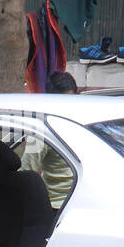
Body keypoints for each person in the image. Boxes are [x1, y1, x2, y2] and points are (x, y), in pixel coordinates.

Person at [20, 71, 79, 208]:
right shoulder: (84, 126)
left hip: (58, 207)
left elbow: (26, 174)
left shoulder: (42, 131)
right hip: (69, 205)